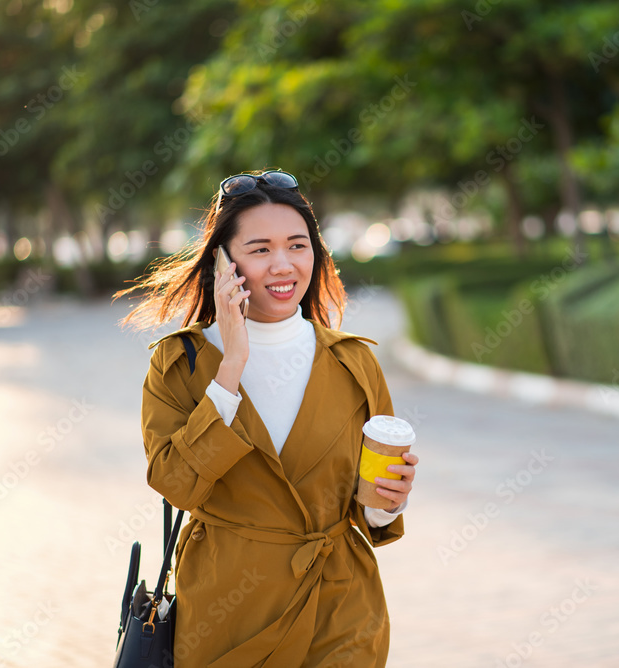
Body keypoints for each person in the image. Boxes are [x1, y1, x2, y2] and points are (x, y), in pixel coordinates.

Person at [114, 169, 418, 667]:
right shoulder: (180, 363)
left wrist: (390, 502)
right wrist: (231, 365)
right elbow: (175, 483)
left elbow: (371, 514)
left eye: (298, 246)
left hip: (339, 610)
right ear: (223, 261)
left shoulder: (354, 362)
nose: (283, 265)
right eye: (260, 250)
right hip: (226, 614)